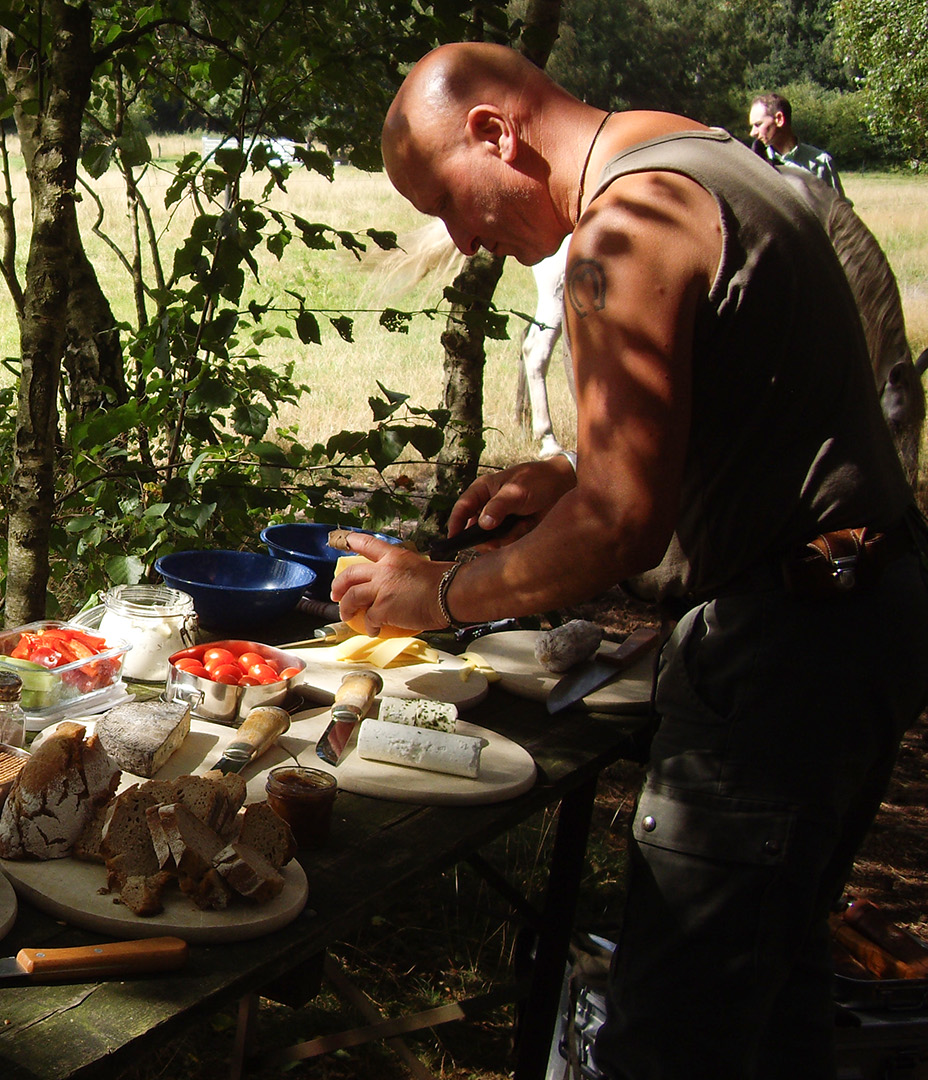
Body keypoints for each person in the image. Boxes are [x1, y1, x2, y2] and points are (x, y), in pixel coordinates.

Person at [356, 42, 928, 1080]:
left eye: (451, 199)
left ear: (497, 132)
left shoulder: (623, 230)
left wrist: (435, 594)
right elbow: (739, 414)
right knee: (780, 989)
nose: (462, 238)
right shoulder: (699, 155)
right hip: (863, 617)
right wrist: (567, 474)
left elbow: (624, 526)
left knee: (672, 1041)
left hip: (783, 656)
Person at [749, 91, 843, 195]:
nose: (752, 133)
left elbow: (838, 209)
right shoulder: (755, 163)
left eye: (758, 125)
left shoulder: (821, 163)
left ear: (779, 119)